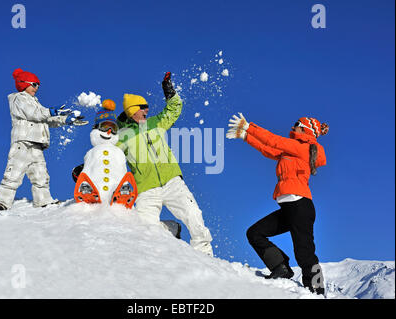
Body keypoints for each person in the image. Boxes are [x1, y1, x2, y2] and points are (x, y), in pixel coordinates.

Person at [226, 113, 329, 295]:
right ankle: (280, 267)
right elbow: (269, 150)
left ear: (305, 129)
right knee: (255, 233)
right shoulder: (293, 149)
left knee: (304, 252)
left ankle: (317, 292)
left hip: (300, 206)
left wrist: (249, 127)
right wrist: (245, 136)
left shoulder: (302, 147)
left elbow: (273, 141)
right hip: (289, 208)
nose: (293, 125)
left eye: (297, 123)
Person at [116, 72, 213, 256]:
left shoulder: (155, 123)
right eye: (143, 107)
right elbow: (109, 154)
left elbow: (174, 109)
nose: (147, 110)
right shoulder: (123, 136)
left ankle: (204, 254)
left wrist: (169, 92)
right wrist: (87, 167)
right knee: (145, 230)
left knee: (193, 215)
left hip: (171, 181)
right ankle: (171, 229)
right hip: (146, 189)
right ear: (132, 110)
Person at [0, 68, 87, 211]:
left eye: (38, 85)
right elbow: (34, 114)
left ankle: (43, 200)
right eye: (34, 84)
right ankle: (2, 202)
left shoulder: (35, 102)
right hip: (23, 143)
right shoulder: (18, 99)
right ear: (24, 84)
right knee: (14, 173)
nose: (37, 88)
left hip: (37, 145)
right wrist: (50, 111)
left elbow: (46, 119)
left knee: (41, 174)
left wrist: (66, 120)